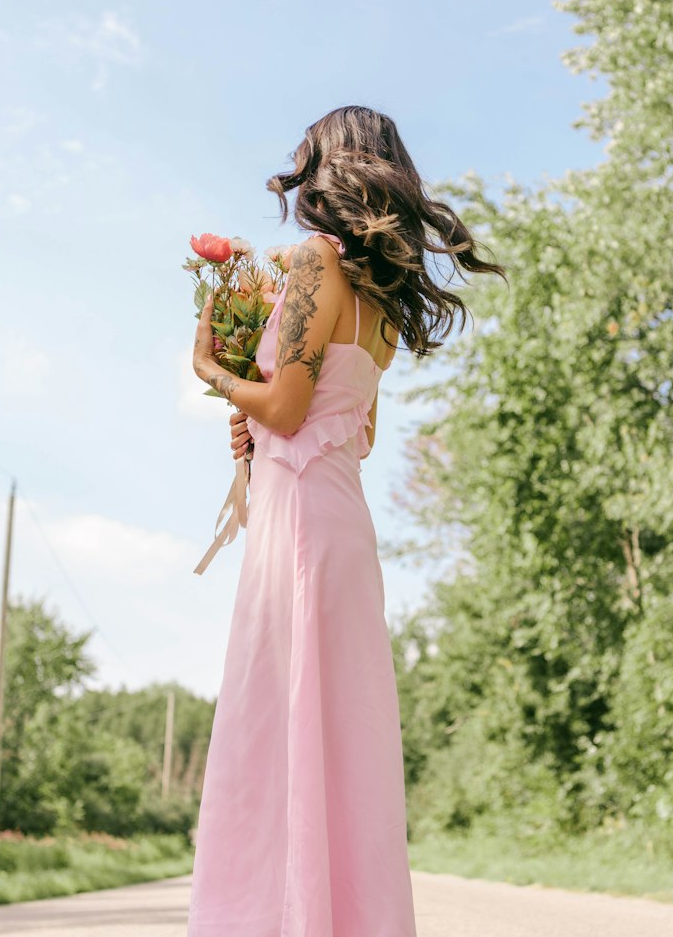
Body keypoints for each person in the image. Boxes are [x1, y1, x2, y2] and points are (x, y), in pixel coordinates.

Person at [186, 105, 506, 937]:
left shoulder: (315, 266)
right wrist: (255, 426)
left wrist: (215, 373)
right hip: (341, 526)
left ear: (330, 171)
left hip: (296, 532)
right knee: (339, 737)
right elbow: (354, 431)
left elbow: (289, 407)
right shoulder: (382, 302)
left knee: (278, 724)